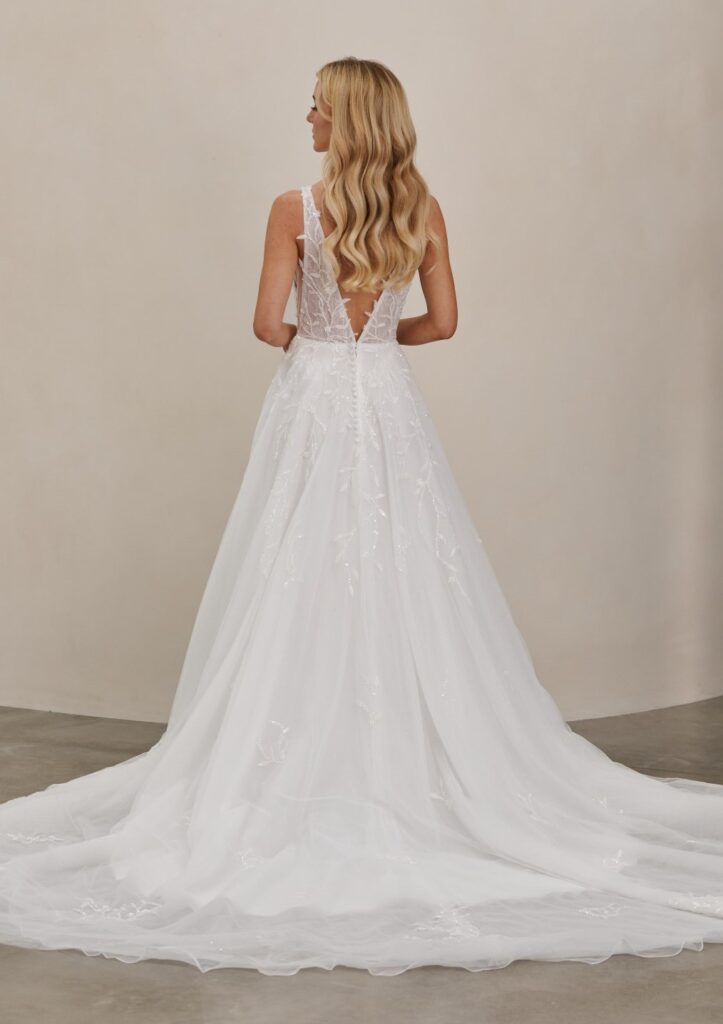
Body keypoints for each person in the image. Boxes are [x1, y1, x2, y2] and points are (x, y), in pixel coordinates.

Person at [1, 57, 723, 977]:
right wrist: (375, 340)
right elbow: (444, 322)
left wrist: (322, 343)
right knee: (404, 559)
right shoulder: (422, 207)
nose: (306, 114)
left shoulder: (292, 208)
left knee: (295, 562)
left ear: (345, 121)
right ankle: (406, 760)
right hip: (385, 398)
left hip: (312, 398)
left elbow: (266, 324)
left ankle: (296, 754)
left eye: (318, 105)